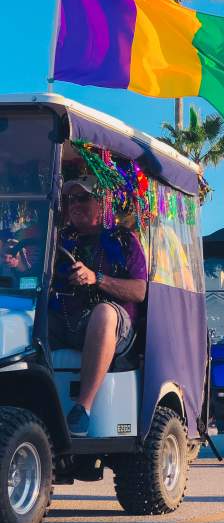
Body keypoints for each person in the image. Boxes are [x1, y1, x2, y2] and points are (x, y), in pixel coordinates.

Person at [49, 176, 147, 437]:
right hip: (65, 318)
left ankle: (83, 409)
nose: (75, 204)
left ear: (102, 203)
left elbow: (139, 291)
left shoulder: (125, 240)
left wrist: (97, 278)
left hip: (115, 328)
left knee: (103, 312)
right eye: (71, 199)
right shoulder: (58, 238)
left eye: (82, 198)